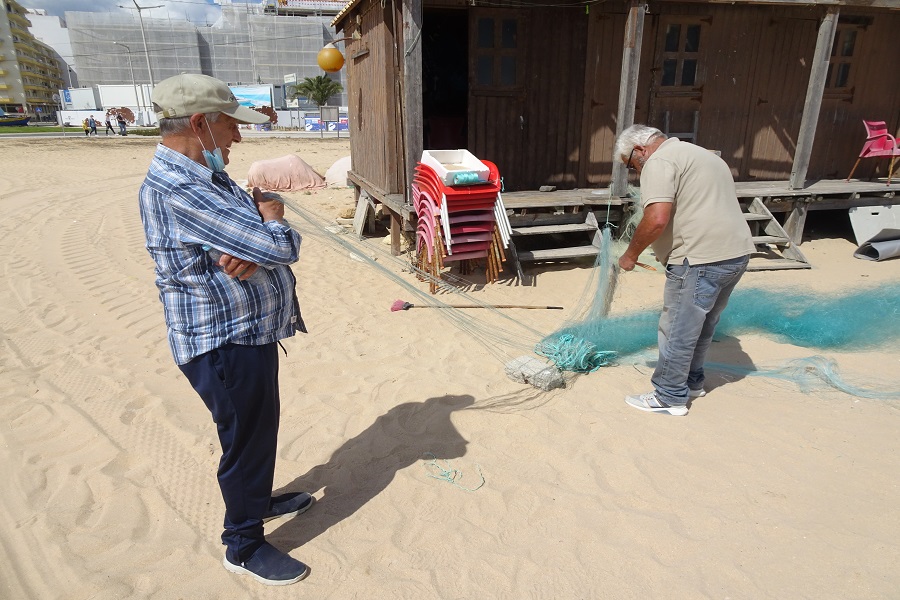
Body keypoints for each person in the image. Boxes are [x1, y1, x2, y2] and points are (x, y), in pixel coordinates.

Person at [139, 73, 311, 585]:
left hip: (246, 333)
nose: (238, 136)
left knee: (259, 429)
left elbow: (255, 243)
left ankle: (257, 501)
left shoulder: (207, 177)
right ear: (200, 124)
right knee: (245, 439)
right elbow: (278, 246)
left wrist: (255, 239)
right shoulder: (179, 185)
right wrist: (272, 221)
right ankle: (243, 543)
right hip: (222, 341)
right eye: (231, 126)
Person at [614, 124, 755, 417]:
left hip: (698, 258)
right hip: (736, 253)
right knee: (702, 325)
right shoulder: (704, 155)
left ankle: (669, 396)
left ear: (640, 150)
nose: (636, 172)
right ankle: (691, 383)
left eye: (631, 165)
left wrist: (630, 255)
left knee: (677, 328)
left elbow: (656, 219)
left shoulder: (660, 161)